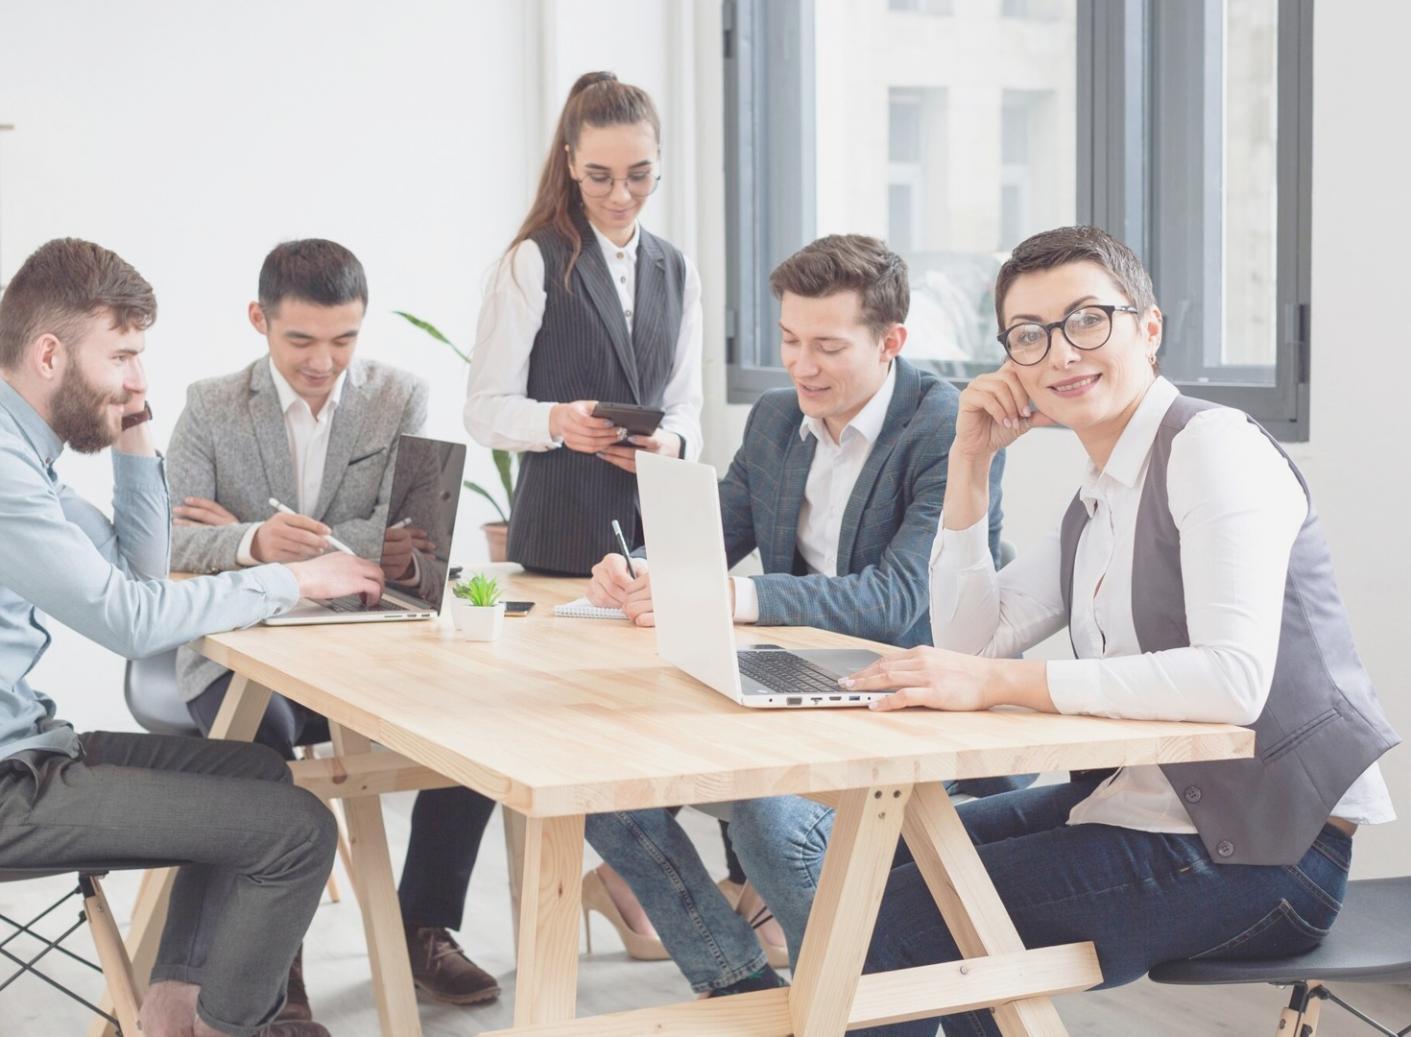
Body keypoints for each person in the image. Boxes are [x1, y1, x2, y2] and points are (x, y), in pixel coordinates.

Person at [726, 225, 1399, 1036]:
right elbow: (973, 640)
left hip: (1268, 854)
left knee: (887, 923)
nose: (1059, 353)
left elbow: (1231, 678)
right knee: (869, 869)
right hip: (1143, 809)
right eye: (1029, 335)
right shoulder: (1098, 494)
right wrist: (968, 462)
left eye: (1087, 320)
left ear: (1147, 328)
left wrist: (1004, 683)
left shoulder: (1211, 448)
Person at [0, 237, 388, 1037]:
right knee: (299, 833)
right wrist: (295, 579)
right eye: (124, 357)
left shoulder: (3, 451)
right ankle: (229, 1027)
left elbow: (139, 575)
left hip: (13, 758)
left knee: (261, 769)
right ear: (49, 354)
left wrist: (134, 431)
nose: (141, 377)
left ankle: (176, 1009)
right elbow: (128, 622)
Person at [578, 234, 1016, 998]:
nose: (800, 365)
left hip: (904, 696)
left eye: (826, 345)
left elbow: (896, 599)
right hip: (790, 685)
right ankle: (741, 985)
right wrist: (642, 570)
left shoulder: (943, 427)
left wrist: (735, 596)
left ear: (891, 342)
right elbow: (712, 537)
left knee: (768, 815)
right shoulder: (779, 419)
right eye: (788, 340)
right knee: (587, 774)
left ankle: (857, 1003)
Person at [167, 239, 501, 1007]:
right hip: (237, 656)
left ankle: (422, 924)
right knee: (265, 752)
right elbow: (165, 541)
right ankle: (270, 968)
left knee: (475, 725)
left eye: (344, 339)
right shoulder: (210, 405)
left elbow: (413, 537)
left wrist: (264, 533)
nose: (324, 362)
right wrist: (257, 542)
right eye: (302, 341)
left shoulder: (399, 397)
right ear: (260, 320)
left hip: (366, 637)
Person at [464, 69, 702, 576]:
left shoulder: (678, 269)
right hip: (558, 541)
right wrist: (556, 422)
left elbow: (684, 404)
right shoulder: (533, 260)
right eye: (600, 177)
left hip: (654, 546)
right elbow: (482, 410)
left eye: (640, 175)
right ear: (570, 162)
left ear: (659, 160)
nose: (620, 195)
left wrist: (673, 444)